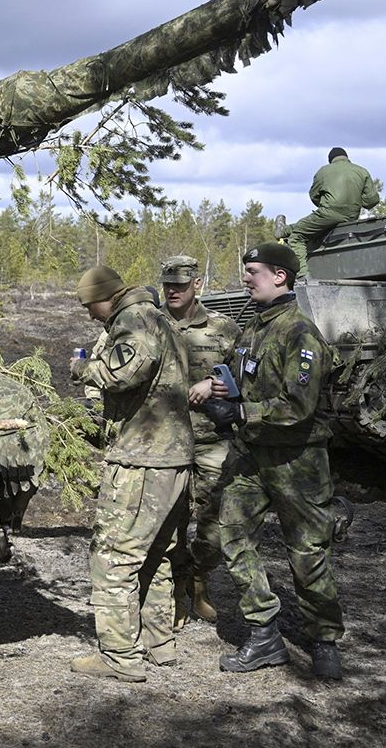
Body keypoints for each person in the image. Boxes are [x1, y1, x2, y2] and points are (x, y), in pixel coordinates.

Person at [195, 242, 345, 679]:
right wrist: (219, 388)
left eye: (254, 271)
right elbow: (240, 374)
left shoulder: (300, 333)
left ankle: (324, 639)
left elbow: (299, 405)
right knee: (233, 536)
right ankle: (264, 634)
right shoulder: (253, 327)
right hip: (251, 456)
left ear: (280, 276)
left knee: (308, 552)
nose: (246, 277)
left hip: (297, 460)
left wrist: (243, 411)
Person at [69, 265, 194, 681]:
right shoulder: (160, 318)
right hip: (170, 456)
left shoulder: (134, 320)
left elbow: (123, 373)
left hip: (143, 458)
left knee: (113, 557)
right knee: (156, 553)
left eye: (90, 306)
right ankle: (159, 644)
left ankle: (120, 656)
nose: (90, 315)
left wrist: (82, 369)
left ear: (105, 296)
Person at [159, 255, 239, 627]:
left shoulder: (223, 328)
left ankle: (199, 579)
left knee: (217, 523)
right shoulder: (148, 323)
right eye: (168, 284)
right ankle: (174, 591)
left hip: (210, 441)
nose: (173, 290)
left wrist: (216, 384)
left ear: (197, 284)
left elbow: (246, 377)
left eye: (180, 284)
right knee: (168, 521)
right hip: (161, 441)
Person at [278, 147, 379, 267]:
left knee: (297, 236)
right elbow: (372, 200)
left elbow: (314, 195)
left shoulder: (323, 171)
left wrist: (326, 204)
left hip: (328, 213)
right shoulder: (362, 171)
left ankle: (302, 275)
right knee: (309, 223)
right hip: (351, 216)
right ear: (347, 158)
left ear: (330, 160)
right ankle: (283, 230)